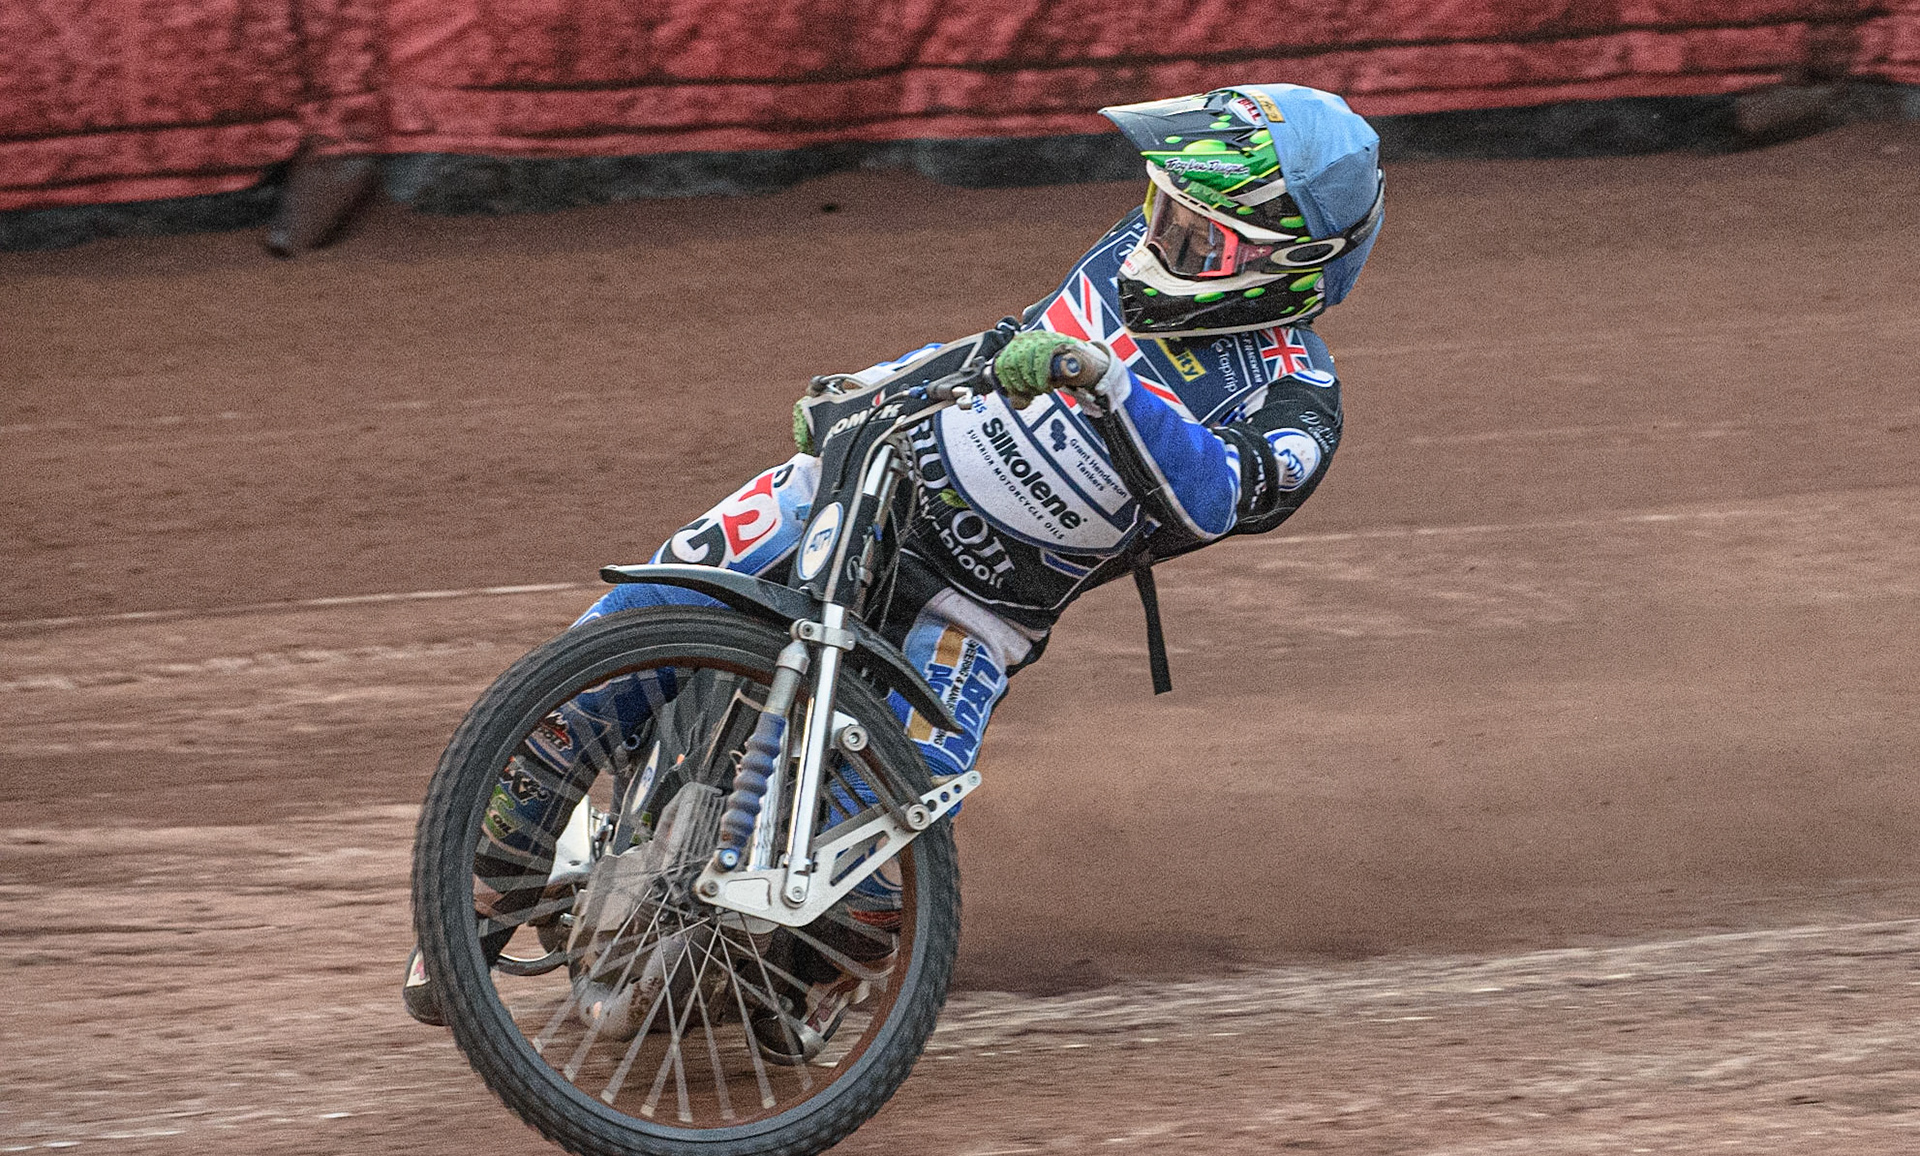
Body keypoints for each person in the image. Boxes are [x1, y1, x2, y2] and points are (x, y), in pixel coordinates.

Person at [405, 83, 1384, 1041]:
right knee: (631, 627)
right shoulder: (1130, 253)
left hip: (975, 611)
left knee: (865, 897)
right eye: (1161, 208)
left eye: (1194, 232)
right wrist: (874, 383)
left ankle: (774, 982)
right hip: (875, 479)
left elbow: (1219, 493)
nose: (1157, 237)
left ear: (1288, 266)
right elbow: (1004, 344)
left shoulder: (1299, 402)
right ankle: (488, 893)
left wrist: (1114, 385)